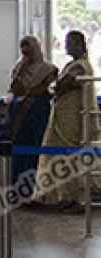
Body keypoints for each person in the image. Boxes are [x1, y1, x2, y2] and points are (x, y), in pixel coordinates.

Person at [34, 30, 96, 212]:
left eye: (69, 42)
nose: (66, 45)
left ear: (78, 44)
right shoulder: (73, 65)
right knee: (57, 157)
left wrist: (53, 86)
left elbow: (60, 86)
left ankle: (74, 199)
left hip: (72, 119)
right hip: (63, 117)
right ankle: (61, 197)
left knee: (69, 157)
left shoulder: (80, 66)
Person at [8, 35, 57, 196]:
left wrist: (28, 93)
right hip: (19, 113)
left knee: (35, 149)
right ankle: (17, 189)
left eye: (28, 47)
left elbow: (43, 89)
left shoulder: (49, 69)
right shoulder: (18, 68)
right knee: (19, 149)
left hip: (37, 113)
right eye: (22, 47)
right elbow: (15, 88)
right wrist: (21, 69)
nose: (25, 51)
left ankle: (34, 191)